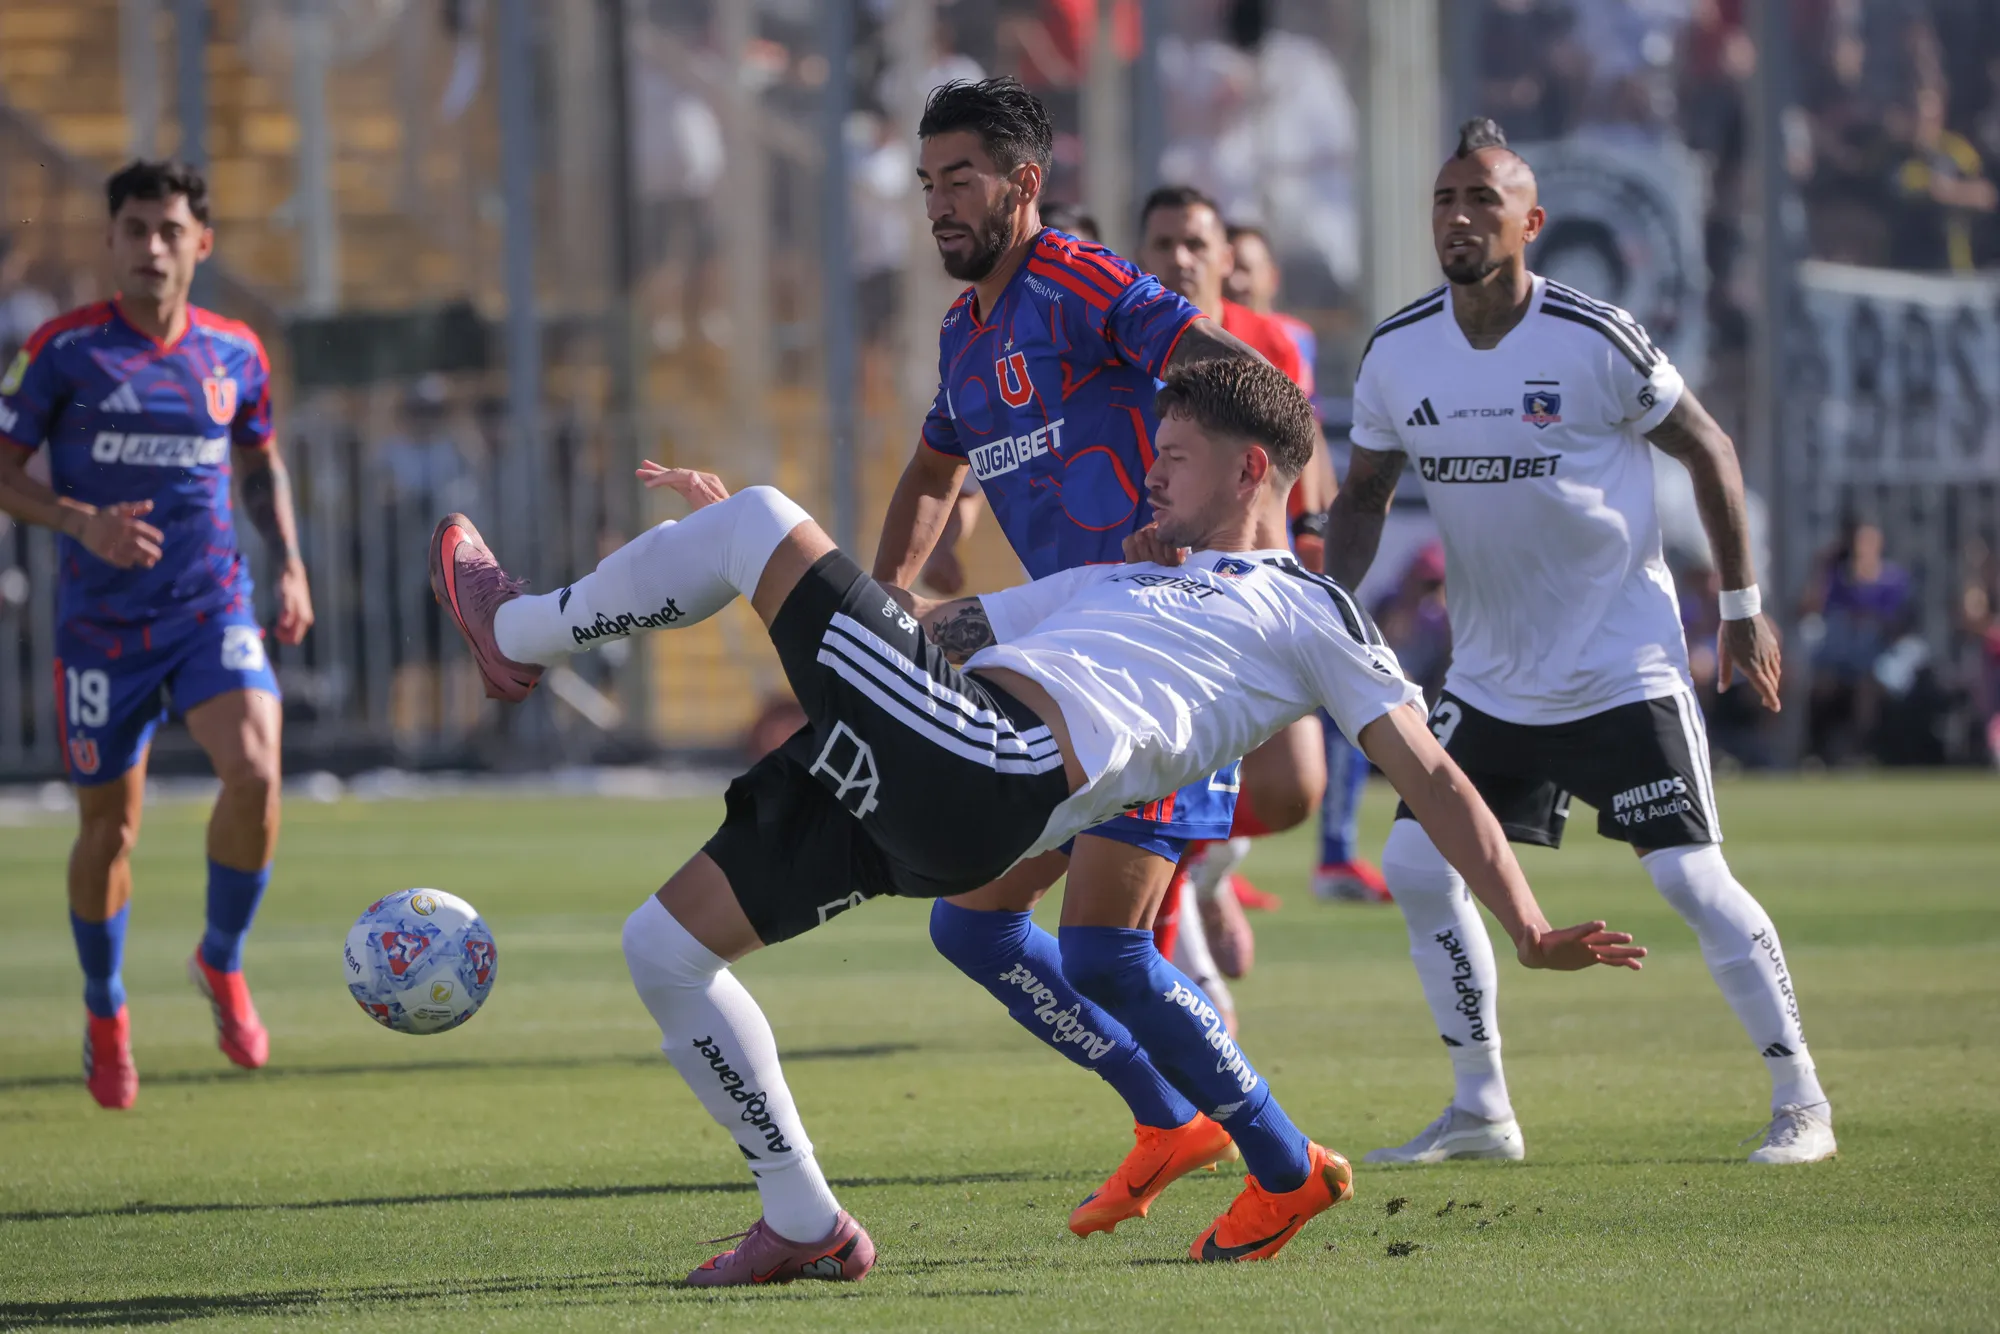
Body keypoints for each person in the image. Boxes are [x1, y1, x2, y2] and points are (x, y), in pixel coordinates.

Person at [429, 356, 1646, 1283]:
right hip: (935, 779)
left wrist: (1528, 923)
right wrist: (720, 564)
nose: (1151, 469)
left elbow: (1428, 771)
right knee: (663, 947)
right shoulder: (1120, 578)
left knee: (757, 517)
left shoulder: (1310, 610)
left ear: (1252, 471)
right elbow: (928, 629)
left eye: (1174, 452)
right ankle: (802, 1218)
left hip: (993, 770)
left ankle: (515, 633)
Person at [1326, 118, 1834, 1168]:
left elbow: (1708, 448)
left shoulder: (1589, 336)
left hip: (1619, 666)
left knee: (1689, 881)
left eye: (1480, 200)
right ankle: (1479, 1109)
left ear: (1530, 222)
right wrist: (1321, 606)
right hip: (1490, 681)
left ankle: (1801, 1100)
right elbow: (1364, 494)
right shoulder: (1396, 351)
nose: (1457, 218)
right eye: (1442, 199)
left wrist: (1738, 605)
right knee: (1416, 863)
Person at [873, 77, 1284, 1238]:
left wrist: (1227, 527)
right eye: (926, 183)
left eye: (961, 179)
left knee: (1104, 948)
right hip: (1067, 672)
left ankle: (1276, 1154)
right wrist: (884, 595)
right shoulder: (964, 335)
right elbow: (930, 476)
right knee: (975, 924)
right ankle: (1173, 1119)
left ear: (1023, 184)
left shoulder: (1079, 280)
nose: (939, 205)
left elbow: (1222, 366)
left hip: (1157, 659)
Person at [0, 161, 312, 1109]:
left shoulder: (234, 353)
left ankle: (220, 960)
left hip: (209, 607)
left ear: (200, 244)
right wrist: (77, 522)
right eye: (134, 229)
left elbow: (261, 459)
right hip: (101, 631)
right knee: (111, 829)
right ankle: (104, 1007)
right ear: (110, 240)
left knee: (258, 770)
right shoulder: (64, 354)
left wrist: (290, 562)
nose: (151, 247)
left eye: (170, 231)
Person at [1134, 185, 1333, 962]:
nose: (1180, 259)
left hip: (1256, 592)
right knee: (1152, 802)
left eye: (1195, 244)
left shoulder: (1267, 343)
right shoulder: (1127, 345)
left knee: (1291, 792)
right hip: (1163, 590)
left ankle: (1204, 870)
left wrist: (1312, 539)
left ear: (1227, 258)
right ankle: (1178, 958)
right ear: (1139, 258)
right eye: (1162, 245)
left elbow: (1299, 451)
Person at [1227, 220, 1387, 905]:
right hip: (1220, 561)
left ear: (1270, 279)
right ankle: (1213, 861)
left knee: (1351, 685)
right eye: (1227, 263)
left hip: (1281, 555)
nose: (1235, 276)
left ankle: (1334, 855)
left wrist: (1315, 530)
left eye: (1247, 266)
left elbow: (1307, 431)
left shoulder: (1287, 339)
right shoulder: (1176, 335)